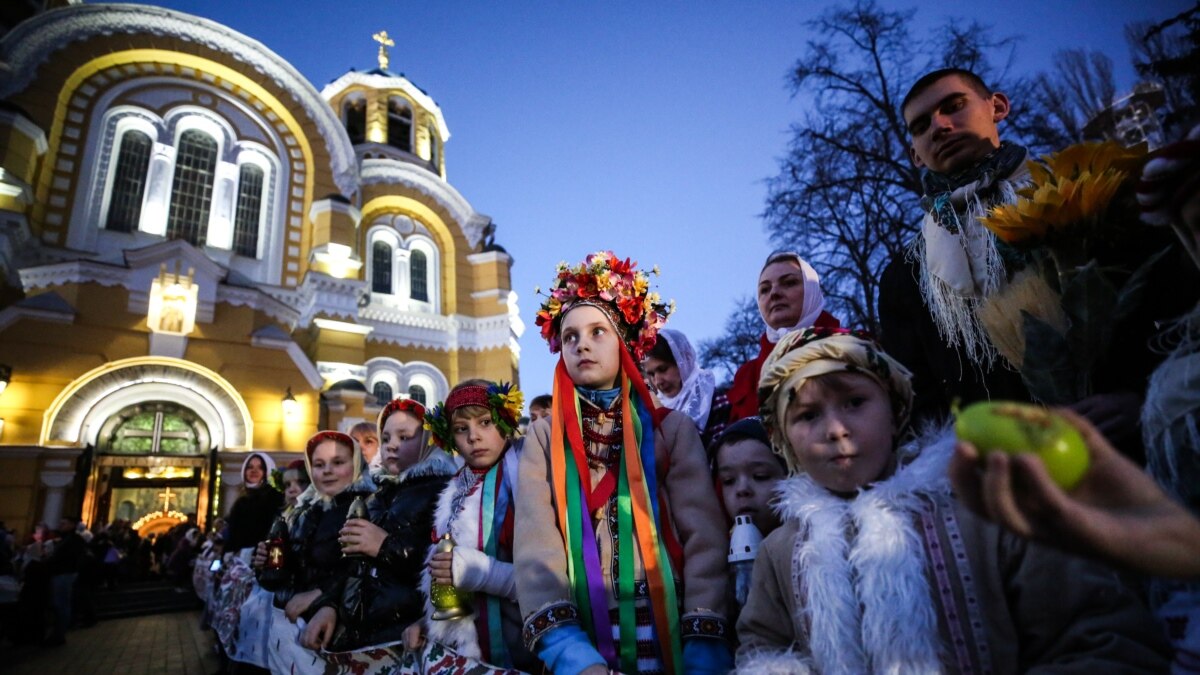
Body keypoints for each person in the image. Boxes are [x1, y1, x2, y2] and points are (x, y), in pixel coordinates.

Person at [735, 327, 1170, 672]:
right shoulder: (781, 551)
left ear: (894, 411)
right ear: (784, 442)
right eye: (808, 416)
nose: (836, 430)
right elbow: (762, 644)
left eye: (854, 402)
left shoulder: (984, 504)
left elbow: (1099, 633)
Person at [518, 251, 731, 675]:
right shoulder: (544, 437)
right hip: (582, 638)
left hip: (671, 629)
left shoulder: (672, 430)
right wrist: (568, 651)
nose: (582, 344)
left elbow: (703, 536)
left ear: (626, 343)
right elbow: (536, 545)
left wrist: (702, 643)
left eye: (599, 331)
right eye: (570, 337)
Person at [300, 397, 456, 654]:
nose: (392, 445)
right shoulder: (376, 497)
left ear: (430, 440)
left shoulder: (442, 491)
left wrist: (385, 546)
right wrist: (330, 606)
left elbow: (444, 564)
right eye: (386, 438)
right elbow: (351, 566)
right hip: (360, 633)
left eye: (405, 437)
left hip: (403, 635)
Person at [410, 379, 534, 670]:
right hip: (469, 652)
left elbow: (553, 575)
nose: (474, 437)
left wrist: (484, 573)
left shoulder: (529, 477)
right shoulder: (454, 489)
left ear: (505, 420)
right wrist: (427, 620)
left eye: (485, 422)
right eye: (461, 429)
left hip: (521, 645)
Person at [727, 251, 839, 422]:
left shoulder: (854, 348)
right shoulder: (746, 376)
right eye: (765, 289)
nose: (774, 293)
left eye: (789, 283)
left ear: (812, 290)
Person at [644, 328, 730, 449]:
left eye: (663, 369)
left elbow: (722, 454)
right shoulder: (653, 412)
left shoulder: (712, 399)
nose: (658, 381)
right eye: (651, 374)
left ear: (682, 361)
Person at [224, 452, 284, 558]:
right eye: (250, 467)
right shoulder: (241, 502)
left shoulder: (275, 498)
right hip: (240, 562)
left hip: (264, 558)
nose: (254, 471)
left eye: (260, 467)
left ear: (267, 471)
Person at [45, 517, 85, 646]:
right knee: (59, 604)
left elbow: (68, 557)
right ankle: (57, 633)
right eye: (60, 523)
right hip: (62, 573)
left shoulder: (73, 540)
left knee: (61, 604)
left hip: (65, 574)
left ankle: (59, 634)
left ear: (72, 525)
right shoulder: (67, 539)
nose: (61, 526)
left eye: (64, 523)